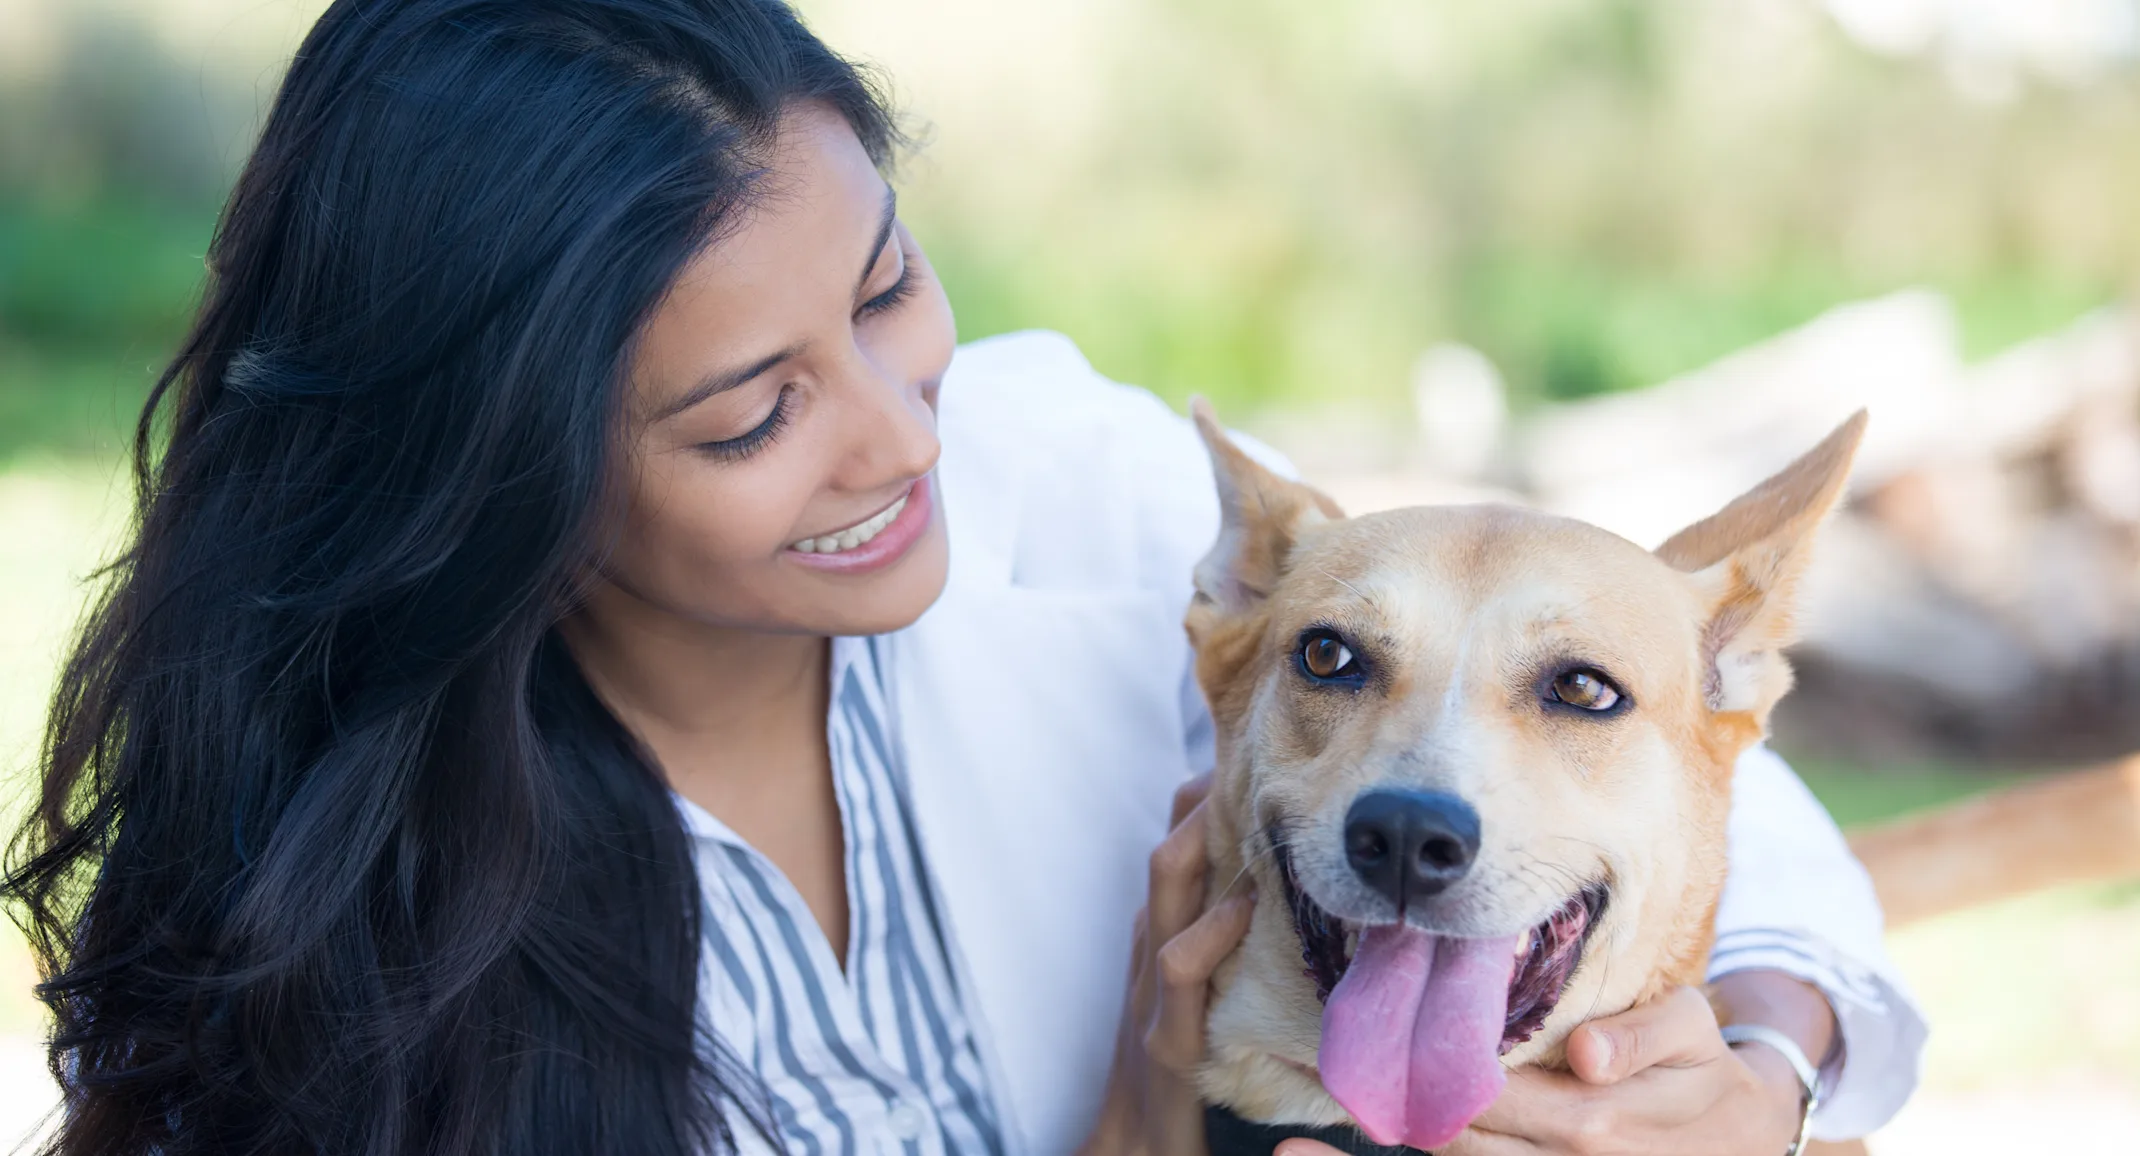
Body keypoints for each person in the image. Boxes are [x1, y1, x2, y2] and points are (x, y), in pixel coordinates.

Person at [1, 2, 1925, 1155]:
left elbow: (1684, 784)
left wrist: (1764, 1066)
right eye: (755, 413)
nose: (908, 438)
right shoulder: (328, 935)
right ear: (493, 481)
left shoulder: (1065, 476)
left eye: (884, 286)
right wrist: (1133, 1127)